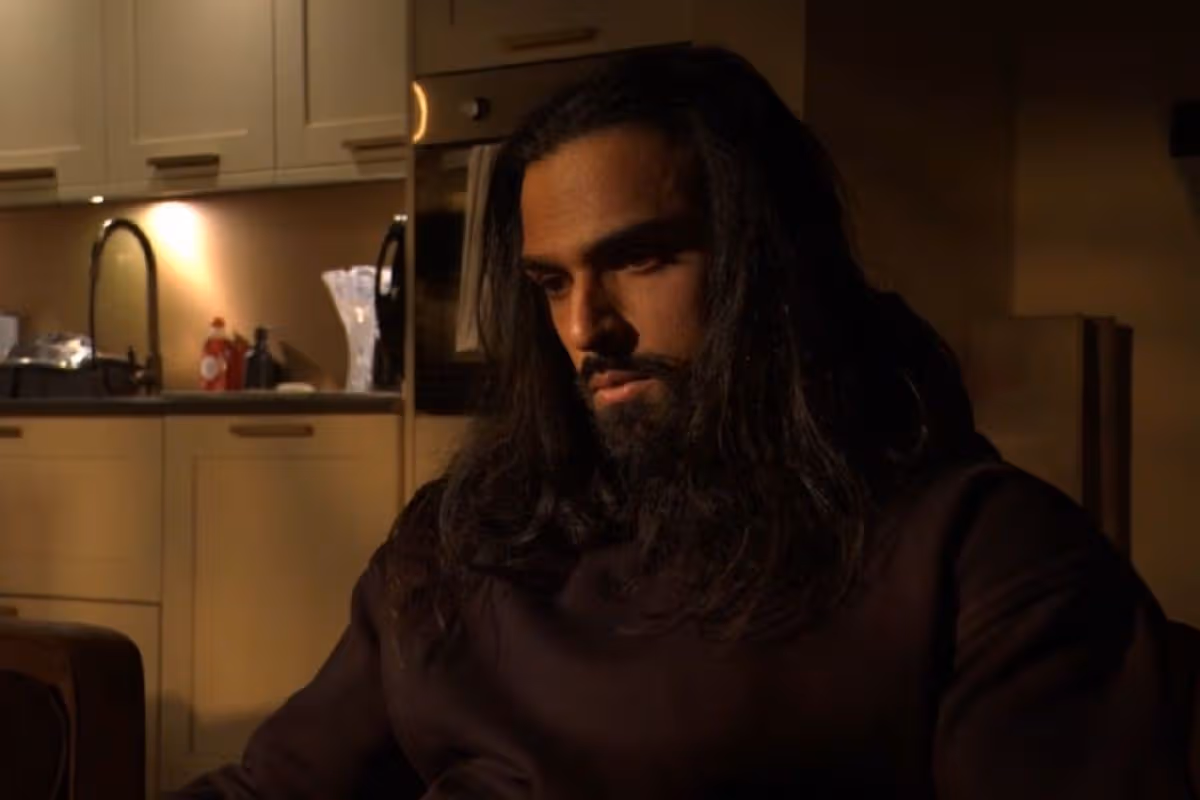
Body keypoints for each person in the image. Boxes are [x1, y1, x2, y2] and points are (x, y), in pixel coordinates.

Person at [174, 47, 1194, 798]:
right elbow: (275, 788)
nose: (588, 329)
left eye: (642, 259)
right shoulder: (464, 537)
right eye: (551, 283)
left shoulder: (981, 556)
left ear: (769, 261)